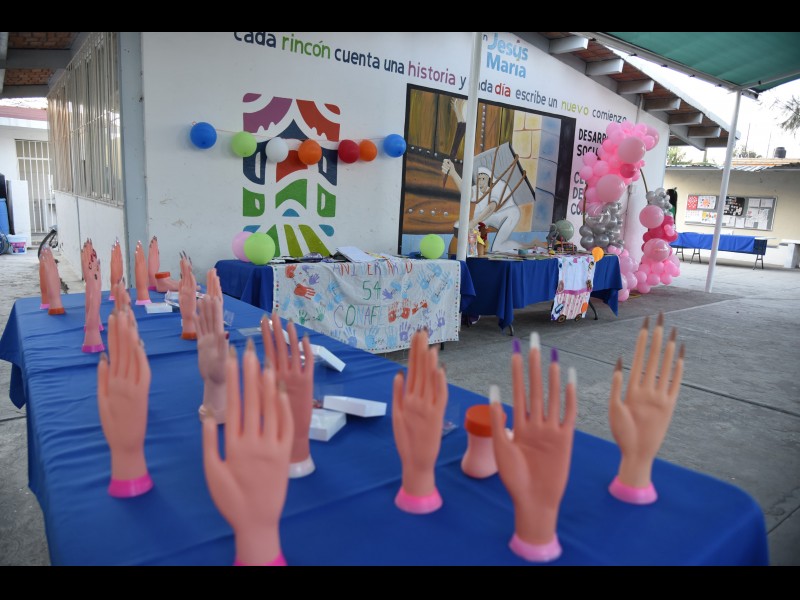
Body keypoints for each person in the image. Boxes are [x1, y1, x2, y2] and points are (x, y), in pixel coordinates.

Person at [442, 160, 521, 253]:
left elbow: (491, 207)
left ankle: (528, 247)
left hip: (510, 214)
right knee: (473, 226)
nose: (480, 182)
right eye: (479, 179)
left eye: (483, 178)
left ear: (489, 180)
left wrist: (473, 222)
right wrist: (453, 172)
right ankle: (473, 252)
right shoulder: (478, 190)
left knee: (497, 248)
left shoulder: (499, 185)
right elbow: (466, 192)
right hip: (493, 216)